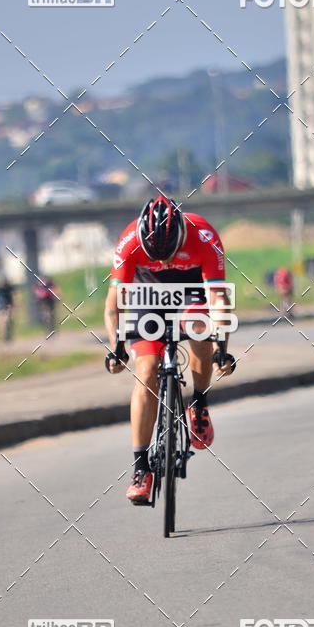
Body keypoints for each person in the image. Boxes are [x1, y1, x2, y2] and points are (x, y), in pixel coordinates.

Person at [104, 196, 236, 504]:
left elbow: (217, 297)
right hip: (145, 294)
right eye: (155, 255)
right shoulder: (128, 241)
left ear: (181, 235)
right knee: (146, 372)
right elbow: (114, 302)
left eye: (169, 254)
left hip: (191, 291)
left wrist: (221, 348)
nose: (163, 261)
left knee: (201, 328)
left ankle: (199, 404)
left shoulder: (204, 235)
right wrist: (116, 347)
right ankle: (140, 470)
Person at [0, 278, 16, 342]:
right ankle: (5, 335)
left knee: (8, 320)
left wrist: (14, 304)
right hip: (1, 307)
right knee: (3, 321)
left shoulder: (10, 288)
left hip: (9, 306)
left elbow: (14, 295)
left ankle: (8, 334)